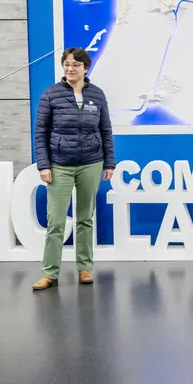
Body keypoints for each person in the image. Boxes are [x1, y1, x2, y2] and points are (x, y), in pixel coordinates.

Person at [32, 48, 115, 292]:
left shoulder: (97, 96)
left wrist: (109, 162)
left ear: (85, 68)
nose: (70, 68)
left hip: (91, 162)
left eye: (75, 65)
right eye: (66, 64)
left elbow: (105, 131)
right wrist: (44, 165)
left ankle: (85, 268)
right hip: (59, 165)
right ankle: (50, 273)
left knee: (85, 219)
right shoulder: (51, 94)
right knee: (55, 221)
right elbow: (41, 133)